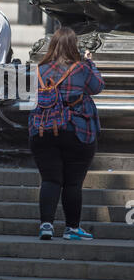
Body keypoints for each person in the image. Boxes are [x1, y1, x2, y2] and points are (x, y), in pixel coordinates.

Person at [28, 27, 105, 241]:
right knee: (72, 183)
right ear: (74, 46)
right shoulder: (81, 68)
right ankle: (71, 228)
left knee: (50, 180)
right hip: (76, 129)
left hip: (43, 130)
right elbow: (98, 86)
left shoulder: (39, 69)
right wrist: (89, 62)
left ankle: (46, 225)